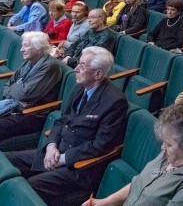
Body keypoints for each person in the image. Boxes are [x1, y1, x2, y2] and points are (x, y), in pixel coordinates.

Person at [6, 46, 128, 205]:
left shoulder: (115, 101)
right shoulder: (79, 87)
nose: (76, 68)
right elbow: (62, 120)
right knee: (8, 161)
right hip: (55, 151)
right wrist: (51, 146)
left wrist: (63, 159)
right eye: (78, 63)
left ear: (98, 74)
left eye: (82, 65)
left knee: (27, 188)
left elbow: (100, 145)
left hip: (78, 167)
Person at [82, 101, 183, 206]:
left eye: (168, 144)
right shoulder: (175, 153)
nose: (162, 148)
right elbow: (139, 184)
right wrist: (104, 202)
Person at [0, 32, 62, 141]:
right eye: (22, 45)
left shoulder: (49, 66)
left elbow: (25, 94)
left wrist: (16, 88)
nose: (21, 50)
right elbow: (8, 84)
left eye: (26, 46)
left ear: (39, 48)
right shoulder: (29, 61)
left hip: (33, 115)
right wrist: (16, 91)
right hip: (16, 107)